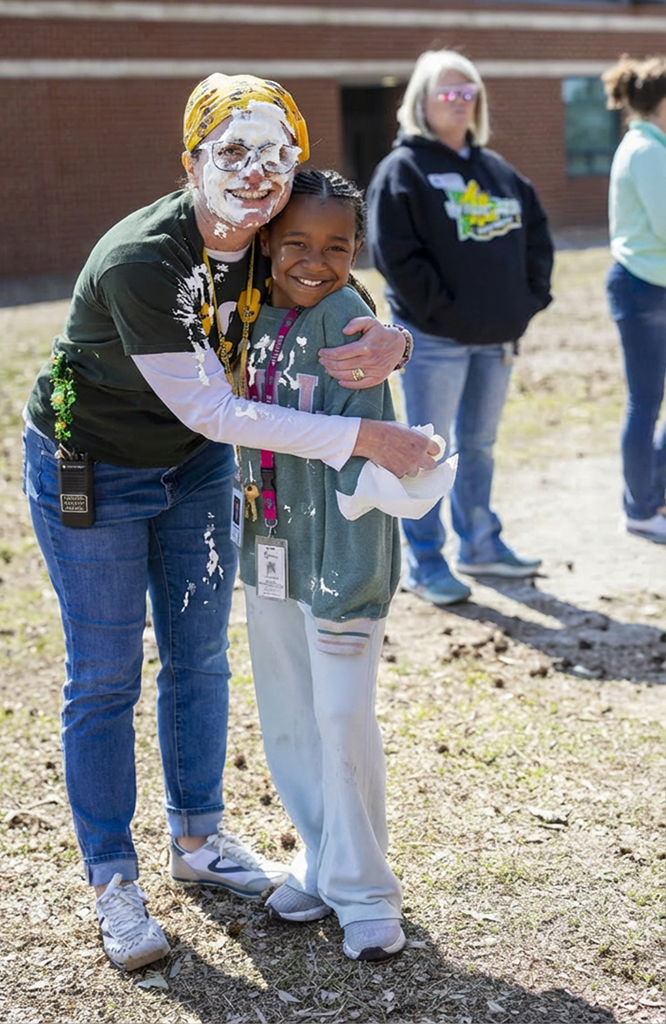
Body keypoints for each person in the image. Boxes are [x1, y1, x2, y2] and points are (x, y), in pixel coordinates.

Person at [21, 73, 438, 971]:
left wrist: (392, 334)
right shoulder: (148, 259)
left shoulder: (265, 235)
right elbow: (217, 409)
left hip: (195, 471)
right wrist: (362, 433)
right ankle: (114, 881)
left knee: (202, 656)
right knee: (104, 676)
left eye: (275, 155)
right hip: (92, 466)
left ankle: (200, 841)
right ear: (190, 163)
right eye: (232, 152)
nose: (255, 174)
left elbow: (328, 278)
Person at [238, 168, 445, 962]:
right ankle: (321, 860)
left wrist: (400, 338)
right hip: (270, 552)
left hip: (342, 560)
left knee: (340, 720)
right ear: (266, 240)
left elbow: (367, 465)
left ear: (357, 249)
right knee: (290, 717)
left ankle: (366, 892)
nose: (315, 260)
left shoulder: (352, 320)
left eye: (336, 245)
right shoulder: (246, 314)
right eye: (296, 242)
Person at [367, 49, 554, 606]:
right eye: (447, 92)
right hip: (435, 342)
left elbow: (538, 240)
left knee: (480, 445)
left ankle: (482, 545)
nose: (460, 101)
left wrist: (526, 303)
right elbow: (396, 257)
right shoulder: (402, 171)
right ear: (420, 103)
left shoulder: (499, 172)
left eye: (469, 91)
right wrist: (447, 312)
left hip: (496, 339)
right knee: (425, 450)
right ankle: (427, 562)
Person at [602, 55, 666, 545]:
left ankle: (652, 494)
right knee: (645, 402)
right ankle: (640, 509)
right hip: (646, 287)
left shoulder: (651, 145)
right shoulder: (647, 150)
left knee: (648, 402)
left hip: (651, 286)